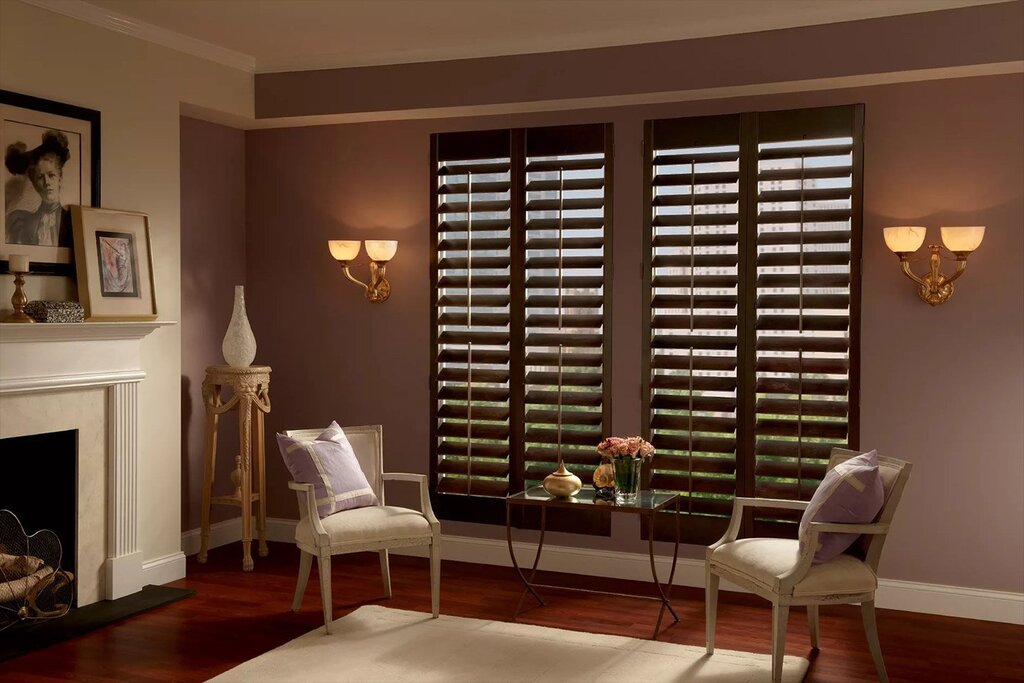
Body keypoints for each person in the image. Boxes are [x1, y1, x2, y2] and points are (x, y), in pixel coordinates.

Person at [4, 130, 73, 247]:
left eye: (51, 175)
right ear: (34, 183)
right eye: (40, 177)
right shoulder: (22, 223)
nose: (47, 183)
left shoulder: (72, 221)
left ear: (60, 178)